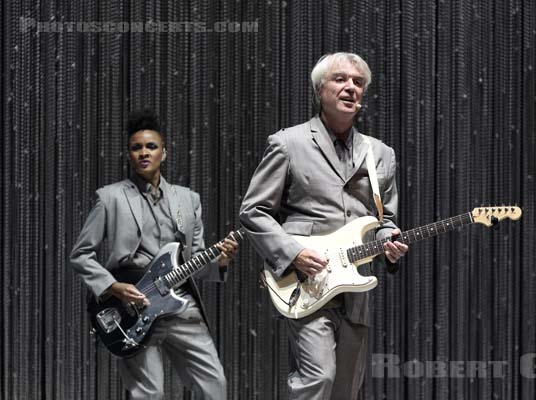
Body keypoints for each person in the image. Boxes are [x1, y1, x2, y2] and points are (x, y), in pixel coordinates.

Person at [239, 52, 409, 400]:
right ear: (320, 90)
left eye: (358, 82)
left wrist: (388, 240)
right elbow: (253, 211)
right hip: (307, 281)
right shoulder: (288, 143)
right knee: (318, 379)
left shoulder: (380, 153)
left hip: (355, 287)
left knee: (345, 390)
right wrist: (293, 252)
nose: (351, 87)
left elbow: (383, 219)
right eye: (340, 79)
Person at [70, 109, 238, 400]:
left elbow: (196, 260)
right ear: (128, 155)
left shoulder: (188, 199)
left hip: (180, 304)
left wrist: (220, 261)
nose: (143, 153)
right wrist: (113, 287)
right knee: (148, 393)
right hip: (133, 308)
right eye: (136, 148)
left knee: (215, 385)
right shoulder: (110, 198)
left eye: (151, 147)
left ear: (164, 152)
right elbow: (81, 254)